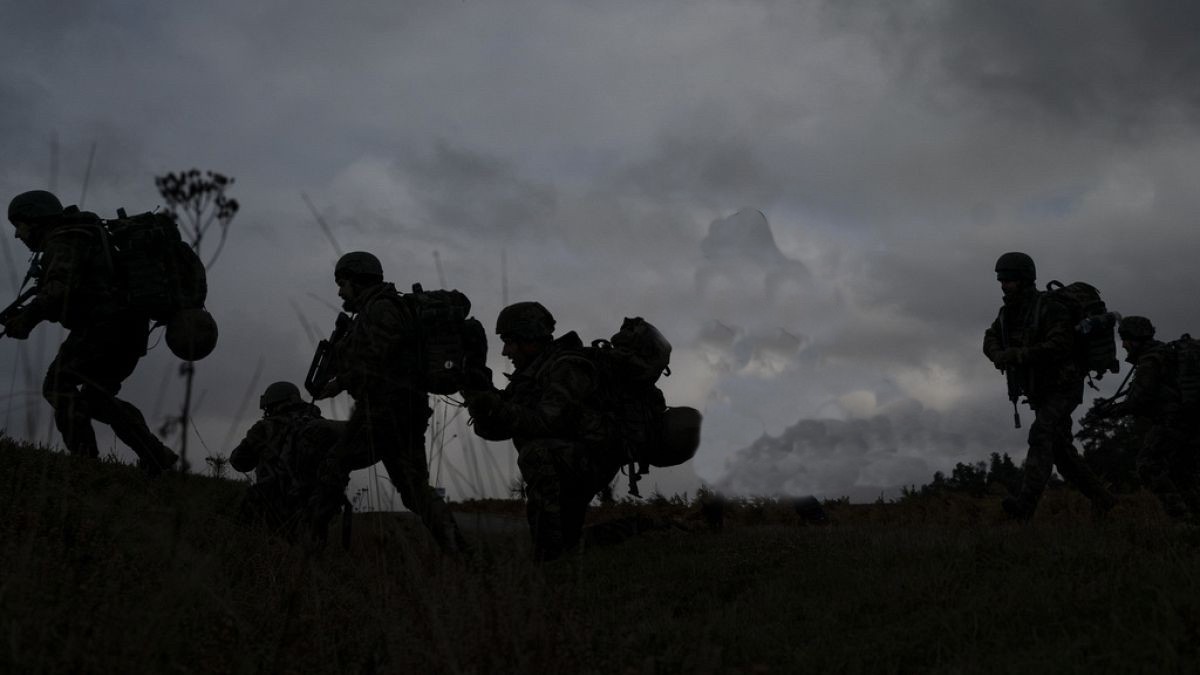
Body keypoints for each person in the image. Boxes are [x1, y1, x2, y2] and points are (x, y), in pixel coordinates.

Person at [1, 190, 177, 475]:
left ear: (35, 218)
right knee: (96, 398)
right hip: (129, 331)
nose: (18, 235)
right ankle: (155, 455)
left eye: (18, 226)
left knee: (58, 385)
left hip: (103, 328)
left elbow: (60, 288)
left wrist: (27, 320)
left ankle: (84, 465)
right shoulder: (85, 234)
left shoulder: (66, 238)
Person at [310, 251, 466, 553]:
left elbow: (376, 360)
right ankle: (460, 551)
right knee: (413, 489)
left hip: (385, 410)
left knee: (334, 463)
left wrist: (341, 381)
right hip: (404, 410)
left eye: (343, 283)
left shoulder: (381, 308)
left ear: (358, 280)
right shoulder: (380, 308)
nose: (341, 291)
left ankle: (310, 545)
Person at [464, 301, 620, 561]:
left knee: (535, 454)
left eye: (510, 341)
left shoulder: (568, 366)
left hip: (592, 458)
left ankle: (549, 555)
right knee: (574, 541)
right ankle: (562, 550)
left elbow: (546, 421)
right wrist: (478, 395)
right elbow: (495, 430)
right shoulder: (530, 374)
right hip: (565, 460)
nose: (505, 351)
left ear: (529, 338)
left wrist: (497, 407)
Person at [982, 251, 1116, 520]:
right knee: (1062, 453)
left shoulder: (1050, 308)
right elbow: (990, 337)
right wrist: (998, 355)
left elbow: (1060, 345)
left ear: (1025, 279)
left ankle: (1025, 506)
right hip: (1039, 389)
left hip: (1063, 386)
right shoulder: (1008, 312)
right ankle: (1102, 499)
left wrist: (1018, 355)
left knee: (1041, 434)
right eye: (1001, 280)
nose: (1003, 285)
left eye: (1009, 280)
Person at [1093, 316, 1200, 520]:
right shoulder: (1162, 353)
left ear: (1136, 337)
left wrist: (1110, 412)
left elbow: (1137, 400)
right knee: (1183, 472)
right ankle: (1194, 523)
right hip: (1188, 422)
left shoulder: (1150, 360)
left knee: (1148, 465)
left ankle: (1182, 518)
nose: (1123, 344)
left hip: (1173, 422)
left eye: (1125, 338)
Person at [231, 381, 343, 535]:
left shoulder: (265, 427)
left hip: (274, 507)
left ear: (272, 404)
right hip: (317, 506)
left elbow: (239, 462)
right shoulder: (321, 425)